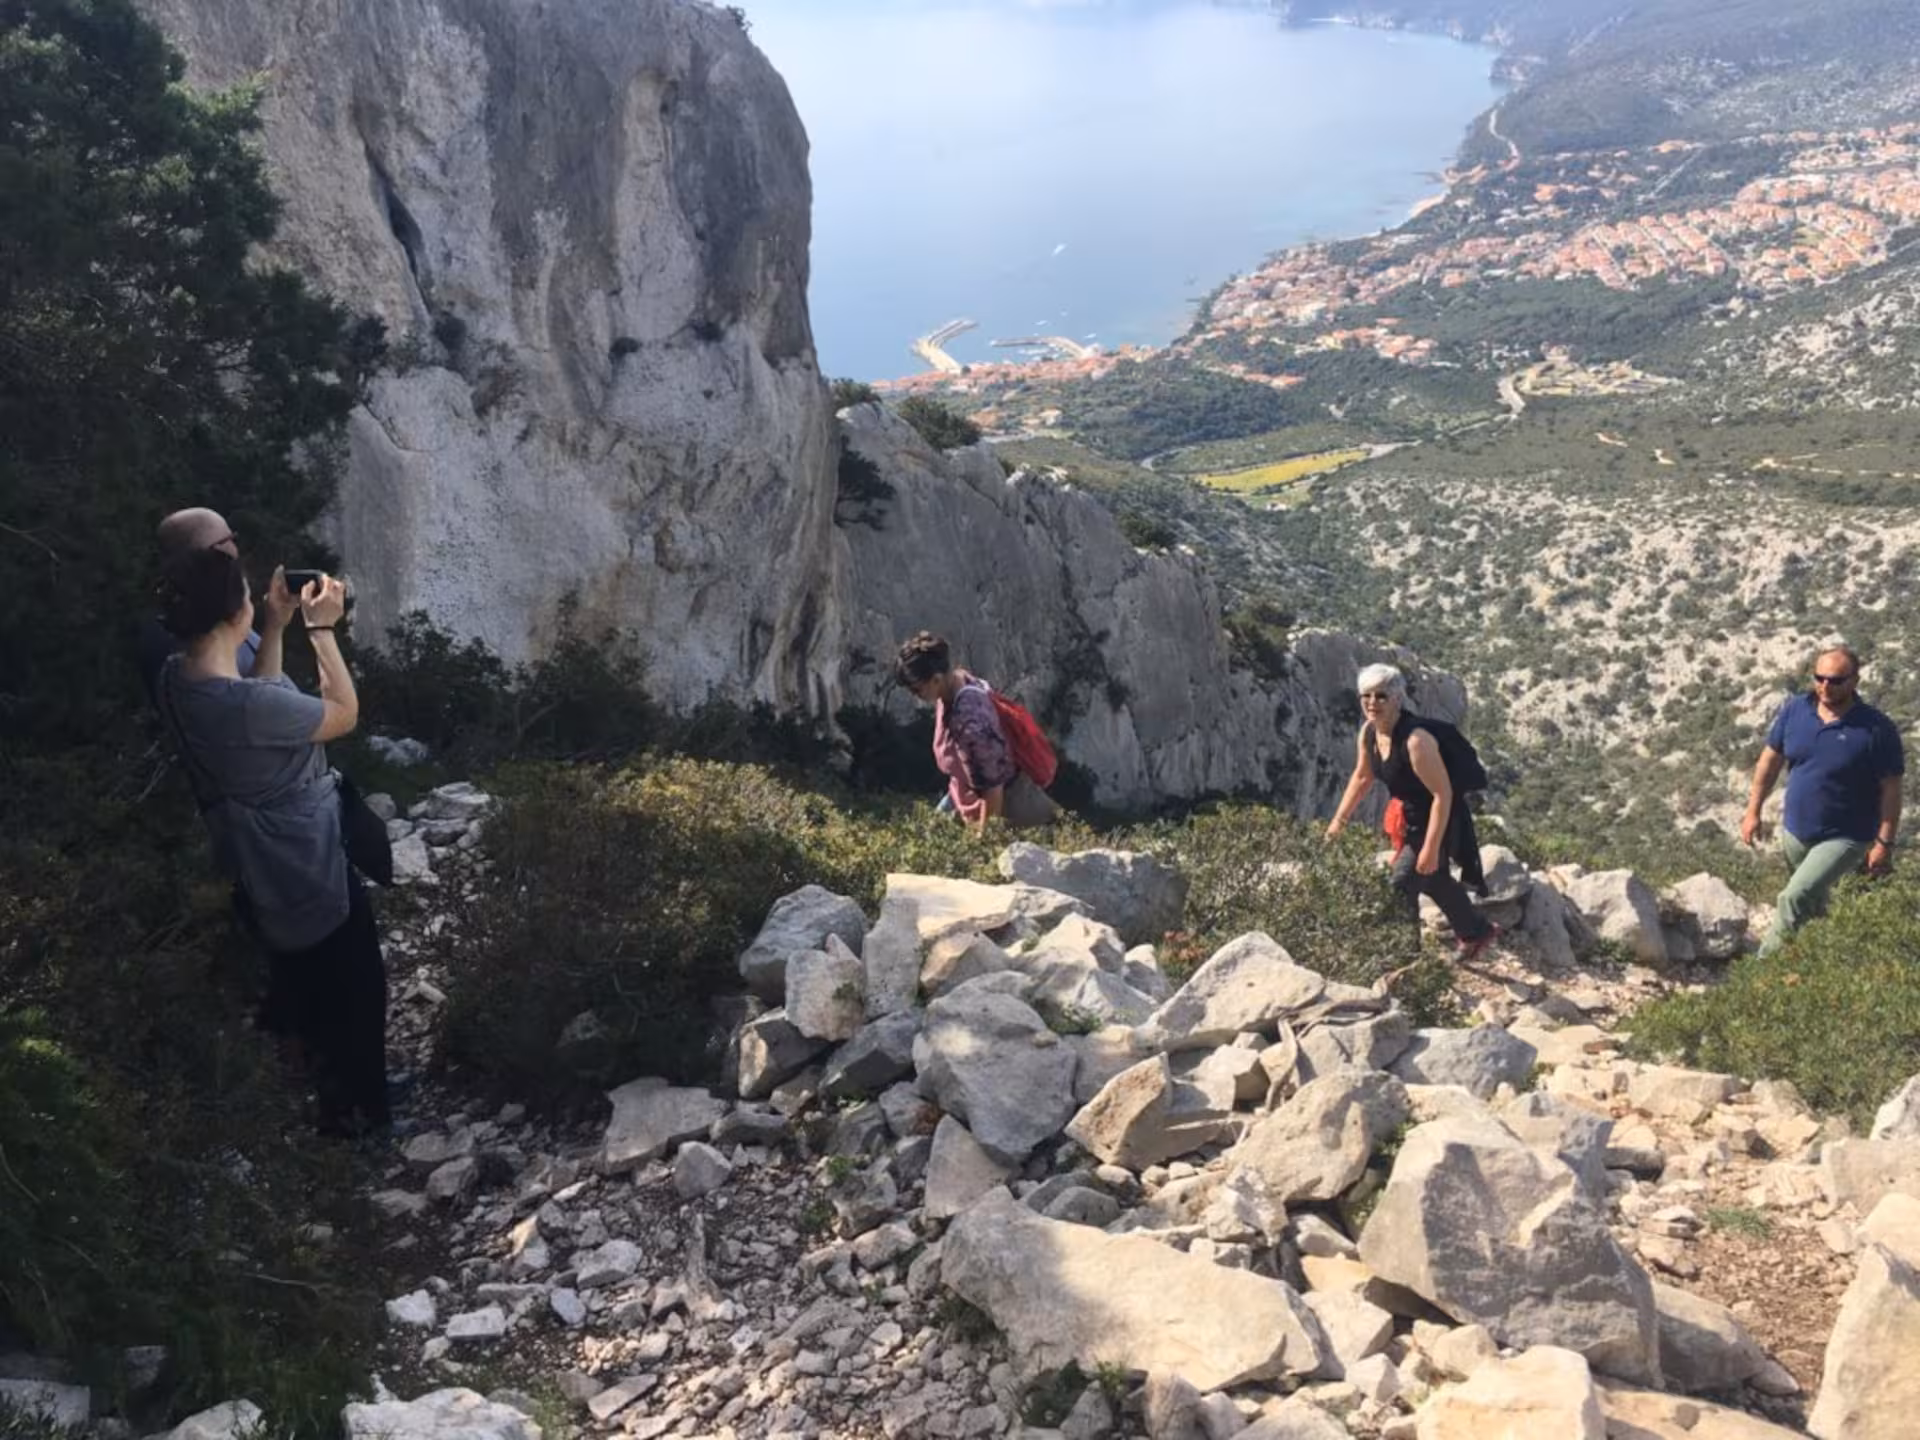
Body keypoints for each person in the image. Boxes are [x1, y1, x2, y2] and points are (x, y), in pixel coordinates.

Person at [152, 546, 390, 1136]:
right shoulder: (248, 707)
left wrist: (276, 625)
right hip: (306, 860)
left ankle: (347, 1094)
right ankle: (361, 1121)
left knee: (309, 981)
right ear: (235, 616)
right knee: (356, 988)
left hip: (262, 862)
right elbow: (342, 713)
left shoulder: (178, 679)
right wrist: (322, 630)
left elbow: (263, 699)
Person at [1326, 663, 1497, 959]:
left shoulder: (1416, 741)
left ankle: (1405, 959)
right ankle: (1477, 931)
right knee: (1434, 880)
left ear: (1397, 698)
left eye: (1381, 696)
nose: (1372, 702)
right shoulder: (1369, 732)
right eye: (1365, 695)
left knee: (1401, 884)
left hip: (1438, 818)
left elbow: (1441, 794)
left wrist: (1430, 848)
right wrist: (1338, 821)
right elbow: (1362, 776)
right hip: (1406, 818)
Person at [1742, 644, 1904, 957]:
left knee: (1793, 898)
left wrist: (1885, 842)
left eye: (1835, 680)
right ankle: (1820, 967)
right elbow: (1769, 762)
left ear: (1855, 681)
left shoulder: (1876, 728)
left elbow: (1892, 789)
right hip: (1796, 832)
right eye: (1819, 678)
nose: (1825, 685)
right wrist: (1753, 810)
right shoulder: (1795, 710)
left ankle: (1760, 975)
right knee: (1813, 907)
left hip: (1847, 836)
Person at [896, 632, 1060, 834]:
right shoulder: (957, 679)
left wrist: (984, 841)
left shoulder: (970, 722)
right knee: (928, 838)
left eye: (917, 689)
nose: (916, 695)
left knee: (944, 850)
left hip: (1001, 803)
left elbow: (993, 788)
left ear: (936, 679)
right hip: (962, 789)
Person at [138, 507, 262, 702]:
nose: (236, 549)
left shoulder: (190, 609)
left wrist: (275, 624)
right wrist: (319, 629)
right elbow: (251, 704)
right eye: (231, 539)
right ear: (218, 550)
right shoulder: (192, 634)